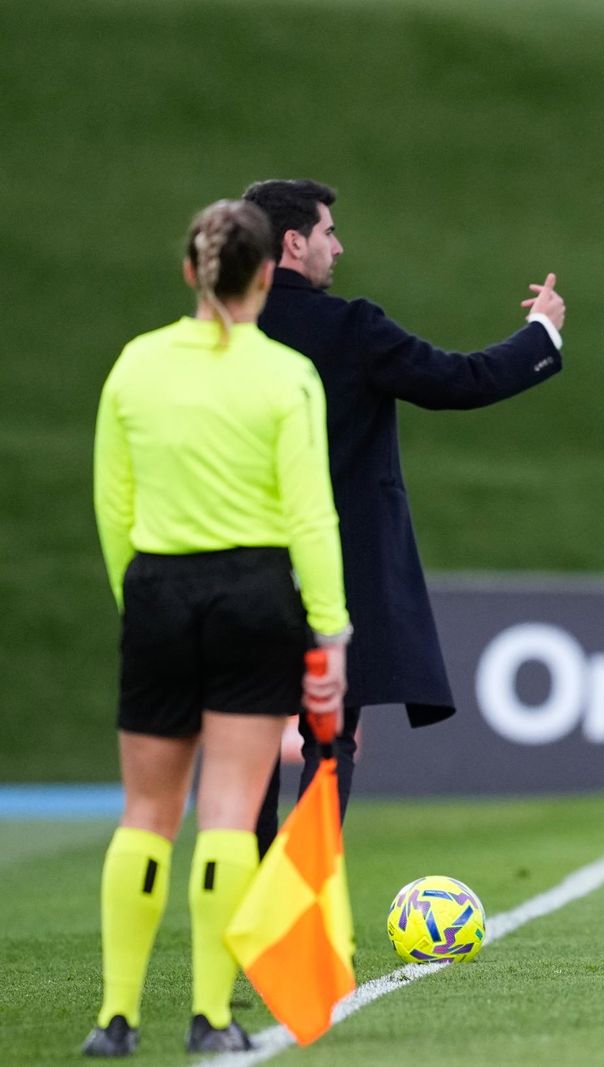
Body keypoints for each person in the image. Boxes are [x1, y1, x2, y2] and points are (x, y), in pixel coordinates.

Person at [85, 200, 350, 1056]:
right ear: (268, 274)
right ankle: (210, 1015)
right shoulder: (284, 376)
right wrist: (331, 633)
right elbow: (311, 518)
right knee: (229, 813)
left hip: (159, 586)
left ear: (191, 272)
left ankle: (115, 1018)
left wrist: (142, 598)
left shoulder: (136, 364)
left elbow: (112, 502)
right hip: (253, 593)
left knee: (145, 813)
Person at [240, 180, 566, 855]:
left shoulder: (227, 334)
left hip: (237, 569)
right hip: (338, 569)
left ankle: (245, 893)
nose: (339, 244)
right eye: (329, 231)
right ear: (295, 242)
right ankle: (297, 907)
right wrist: (543, 333)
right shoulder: (350, 327)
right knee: (327, 739)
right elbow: (462, 380)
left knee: (246, 742)